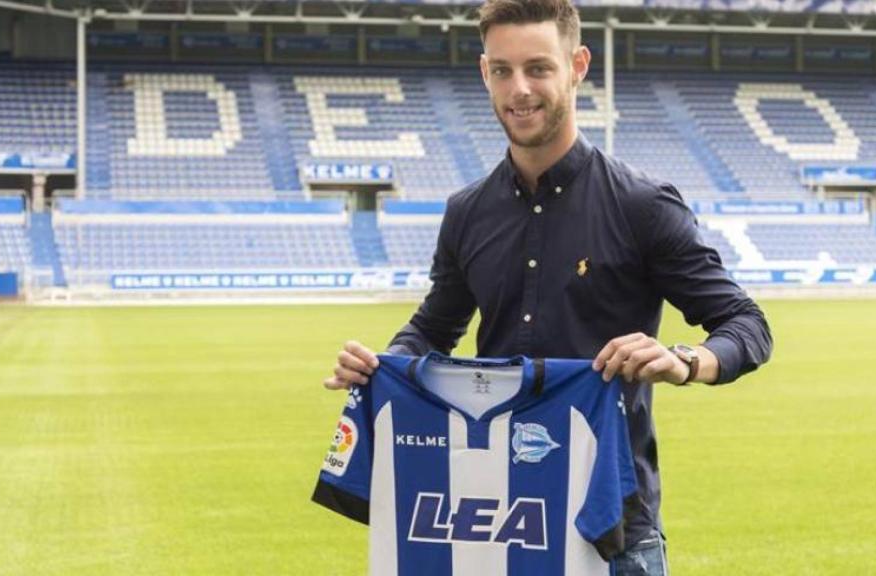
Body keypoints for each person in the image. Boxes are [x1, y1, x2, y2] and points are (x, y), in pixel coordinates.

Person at [322, 0, 773, 573]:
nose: (519, 90)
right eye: (502, 70)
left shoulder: (642, 205)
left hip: (614, 533)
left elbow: (747, 324)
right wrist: (381, 365)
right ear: (484, 72)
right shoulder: (466, 212)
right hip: (495, 520)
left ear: (578, 65)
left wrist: (684, 361)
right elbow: (433, 329)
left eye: (538, 68)